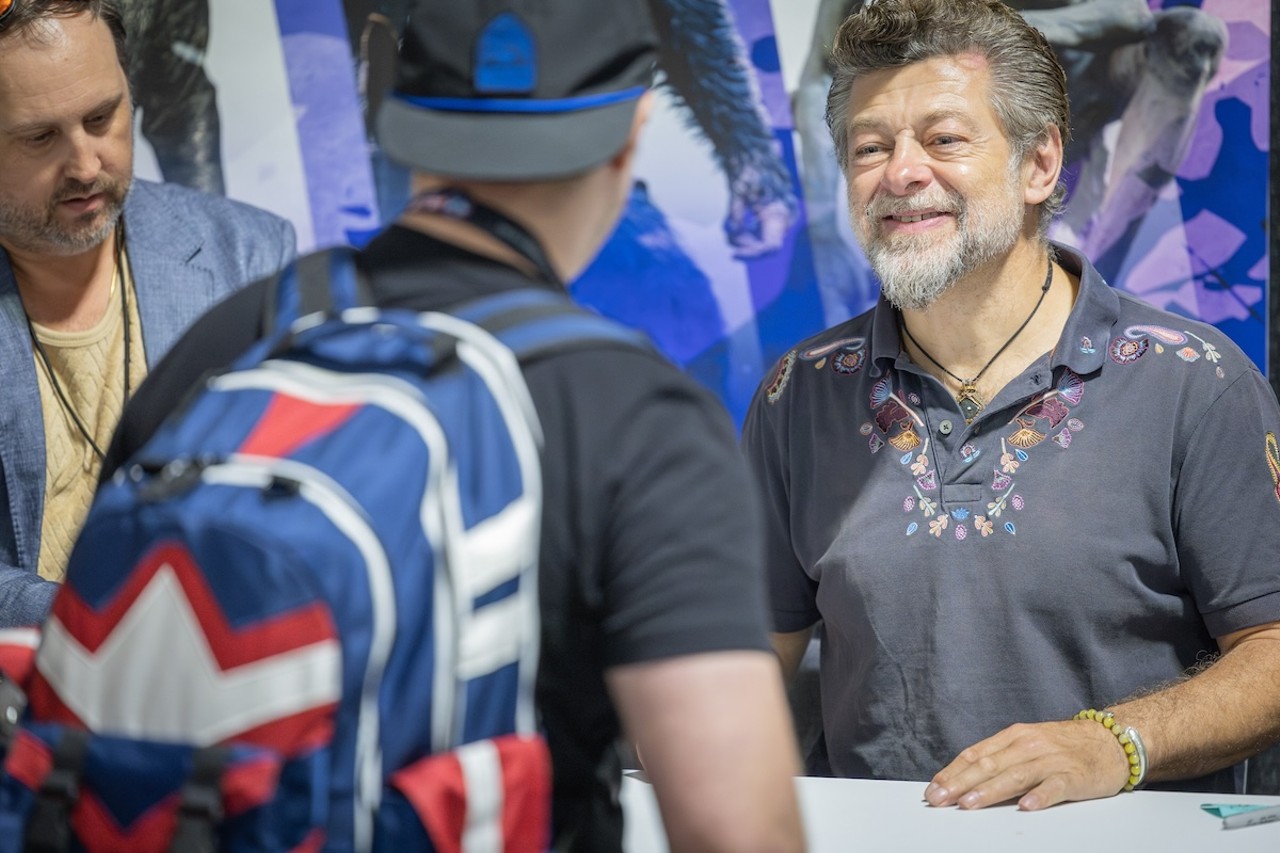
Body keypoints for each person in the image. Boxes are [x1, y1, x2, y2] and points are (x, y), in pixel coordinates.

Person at [102, 0, 805, 849]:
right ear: (633, 132)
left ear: (398, 119)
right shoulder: (639, 418)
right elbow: (736, 825)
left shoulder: (228, 344)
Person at [743, 0, 1280, 812]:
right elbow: (750, 659)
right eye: (870, 146)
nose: (901, 172)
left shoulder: (1195, 383)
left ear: (1039, 166)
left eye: (945, 138)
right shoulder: (798, 391)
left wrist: (1116, 742)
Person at [0, 0, 295, 627]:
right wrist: (117, 621)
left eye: (102, 117)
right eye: (40, 137)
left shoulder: (250, 260)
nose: (85, 165)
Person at [792, 0, 1227, 324]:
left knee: (1192, 37)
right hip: (926, 98)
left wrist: (968, 35)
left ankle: (1105, 260)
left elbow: (1127, 16)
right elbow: (818, 75)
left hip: (1067, 91)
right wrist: (822, 230)